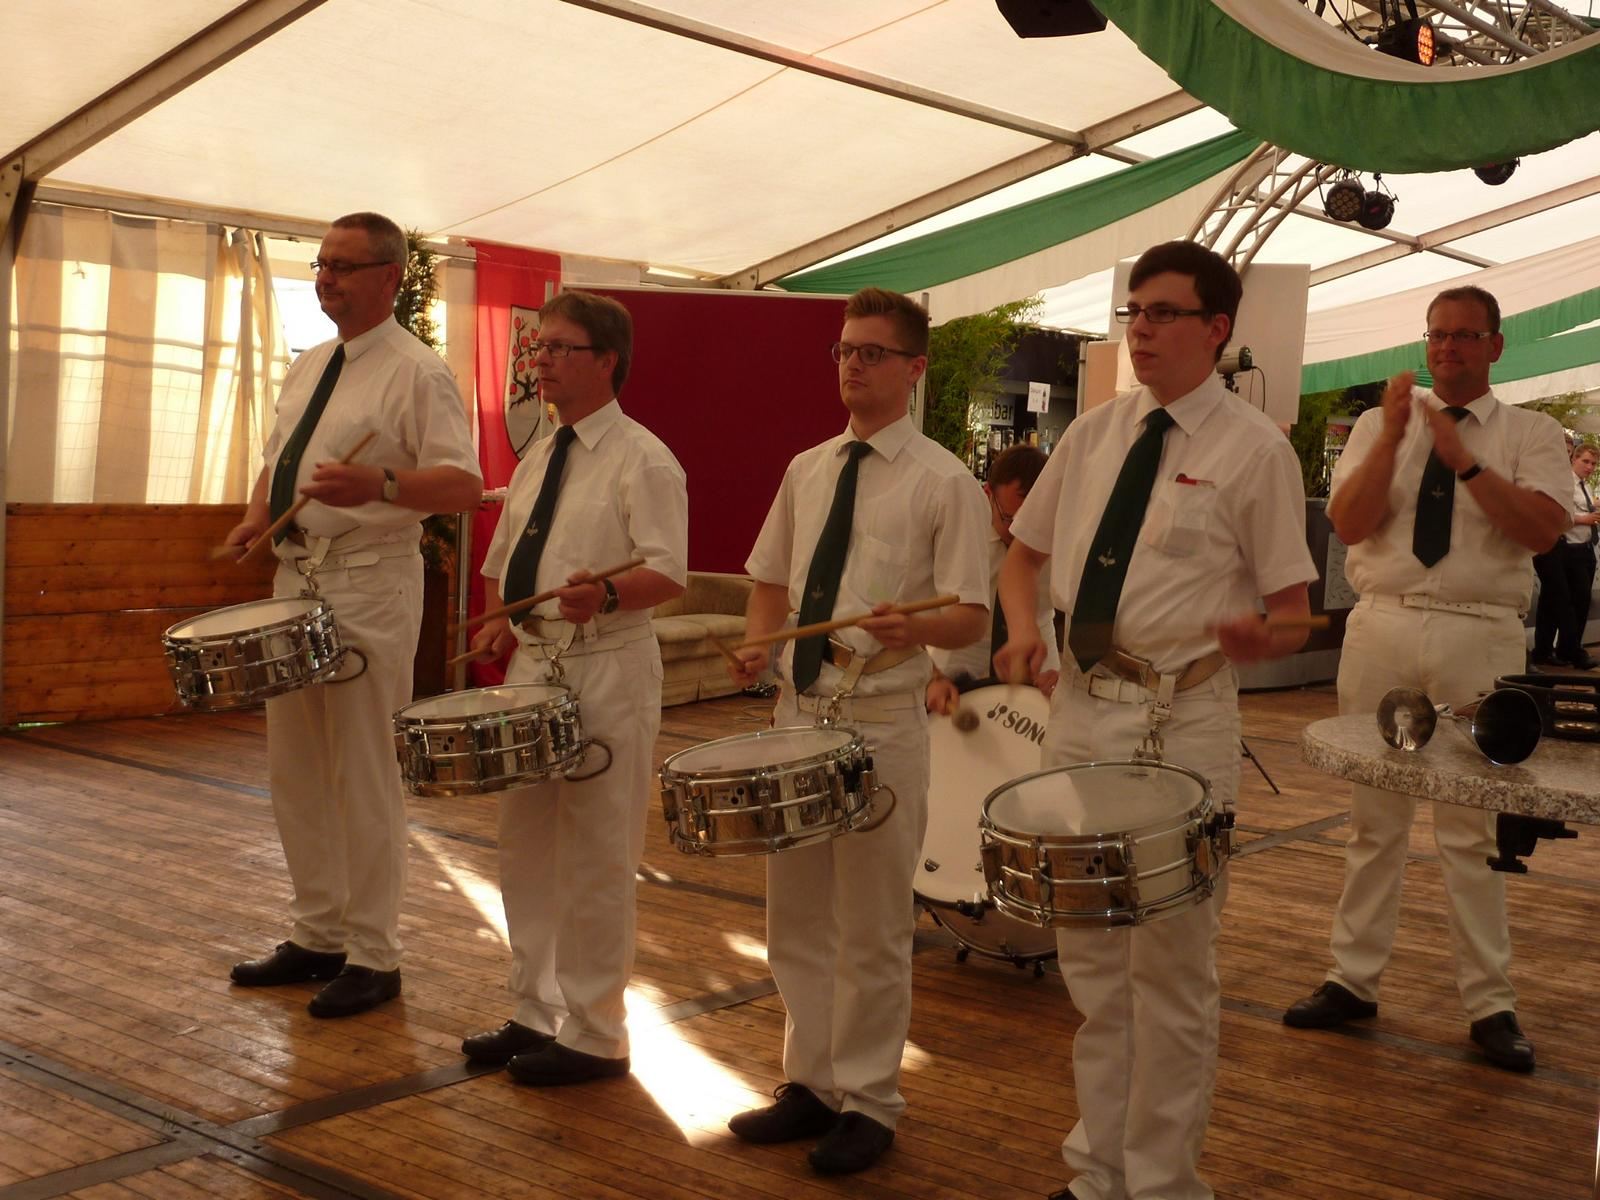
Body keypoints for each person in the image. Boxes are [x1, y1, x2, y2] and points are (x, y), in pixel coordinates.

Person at [994, 241, 1317, 1200]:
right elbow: (1021, 558)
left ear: (1218, 330)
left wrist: (1263, 637)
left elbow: (1294, 612)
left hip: (1179, 722)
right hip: (1080, 715)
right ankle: (1098, 1173)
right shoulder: (1093, 436)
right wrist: (1024, 632)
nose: (1142, 331)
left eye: (1165, 313)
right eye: (1133, 312)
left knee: (1170, 970)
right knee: (1093, 963)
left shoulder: (1254, 450)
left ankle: (1164, 1184)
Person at [725, 287, 990, 1175]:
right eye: (844, 350)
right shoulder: (808, 469)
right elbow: (770, 580)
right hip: (799, 712)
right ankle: (811, 1082)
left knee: (872, 923)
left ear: (915, 369)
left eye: (872, 352)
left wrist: (919, 628)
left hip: (880, 718)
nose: (852, 365)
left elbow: (972, 616)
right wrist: (759, 644)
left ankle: (871, 1100)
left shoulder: (944, 482)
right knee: (795, 915)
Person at [1283, 285, 1570, 1075]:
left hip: (1481, 629)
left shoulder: (1531, 432)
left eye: (1466, 336)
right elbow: (1347, 524)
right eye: (1437, 335)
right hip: (1385, 619)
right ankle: (1352, 978)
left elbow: (1543, 530)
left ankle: (1490, 1003)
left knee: (1472, 828)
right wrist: (1393, 438)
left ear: (1496, 346)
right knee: (1373, 818)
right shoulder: (1379, 427)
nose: (1448, 348)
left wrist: (1465, 462)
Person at [225, 212, 482, 1017]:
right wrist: (254, 518)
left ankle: (374, 954)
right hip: (295, 575)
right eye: (321, 265)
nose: (325, 279)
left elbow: (464, 485)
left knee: (364, 769)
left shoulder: (418, 372)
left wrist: (383, 485)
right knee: (295, 766)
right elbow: (279, 459)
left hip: (369, 579)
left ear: (388, 277)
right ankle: (318, 932)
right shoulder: (309, 364)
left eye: (342, 266)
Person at [463, 290, 687, 1085]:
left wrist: (611, 593)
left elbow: (669, 570)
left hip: (607, 666)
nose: (543, 361)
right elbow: (506, 562)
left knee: (596, 853)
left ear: (606, 361)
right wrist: (499, 621)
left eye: (561, 348)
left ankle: (595, 1033)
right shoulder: (539, 456)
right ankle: (535, 1009)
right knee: (524, 847)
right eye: (541, 347)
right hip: (536, 665)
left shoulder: (644, 458)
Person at [925, 443, 1060, 717]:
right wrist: (932, 676)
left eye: (1032, 520)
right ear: (988, 494)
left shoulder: (1060, 533)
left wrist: (1066, 676)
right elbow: (916, 605)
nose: (1021, 531)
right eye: (1010, 518)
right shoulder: (960, 533)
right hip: (958, 660)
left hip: (1039, 661)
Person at [1530, 437, 1599, 669]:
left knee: (1575, 601)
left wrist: (1593, 511)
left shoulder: (1585, 486)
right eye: (1585, 462)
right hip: (1565, 547)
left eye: (1593, 464)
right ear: (1574, 459)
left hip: (1584, 547)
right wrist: (1584, 519)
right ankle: (1567, 650)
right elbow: (1557, 514)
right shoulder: (1562, 481)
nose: (1589, 467)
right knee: (1564, 601)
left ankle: (1557, 650)